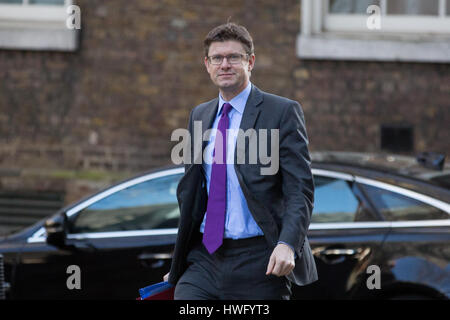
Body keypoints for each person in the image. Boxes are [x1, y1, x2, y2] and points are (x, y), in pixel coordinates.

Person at [164, 22, 317, 300]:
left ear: (250, 62)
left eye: (234, 57)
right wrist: (180, 261)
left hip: (260, 260)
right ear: (207, 64)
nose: (225, 65)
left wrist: (287, 244)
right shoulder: (199, 115)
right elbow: (191, 191)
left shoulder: (281, 112)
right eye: (217, 58)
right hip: (205, 259)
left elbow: (300, 190)